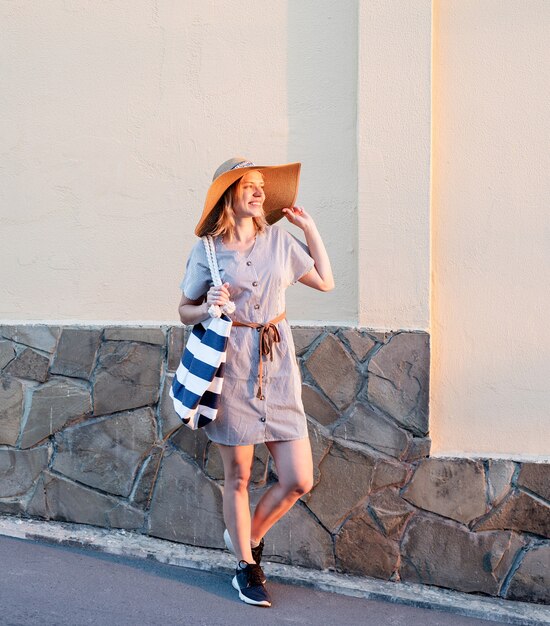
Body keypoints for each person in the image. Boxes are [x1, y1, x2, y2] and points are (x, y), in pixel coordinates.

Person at [177, 157, 334, 607]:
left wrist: (310, 230)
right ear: (229, 194)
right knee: (239, 476)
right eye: (248, 185)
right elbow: (183, 311)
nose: (258, 191)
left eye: (262, 185)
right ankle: (247, 567)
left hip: (278, 364)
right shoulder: (208, 250)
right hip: (232, 367)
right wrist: (208, 305)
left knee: (298, 479)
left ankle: (246, 538)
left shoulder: (278, 242)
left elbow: (325, 281)